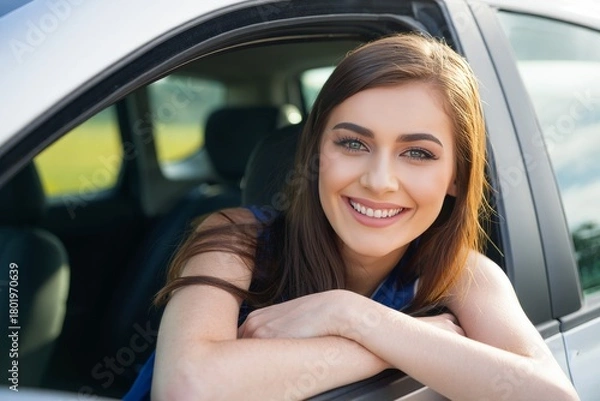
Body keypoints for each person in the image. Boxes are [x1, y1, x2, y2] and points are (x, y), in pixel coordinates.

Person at [124, 33, 579, 401]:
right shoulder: (235, 237)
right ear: (318, 153)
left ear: (456, 177)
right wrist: (406, 345)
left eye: (417, 153)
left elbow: (552, 397)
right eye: (353, 143)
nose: (379, 181)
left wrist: (350, 316)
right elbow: (189, 389)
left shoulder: (463, 275)